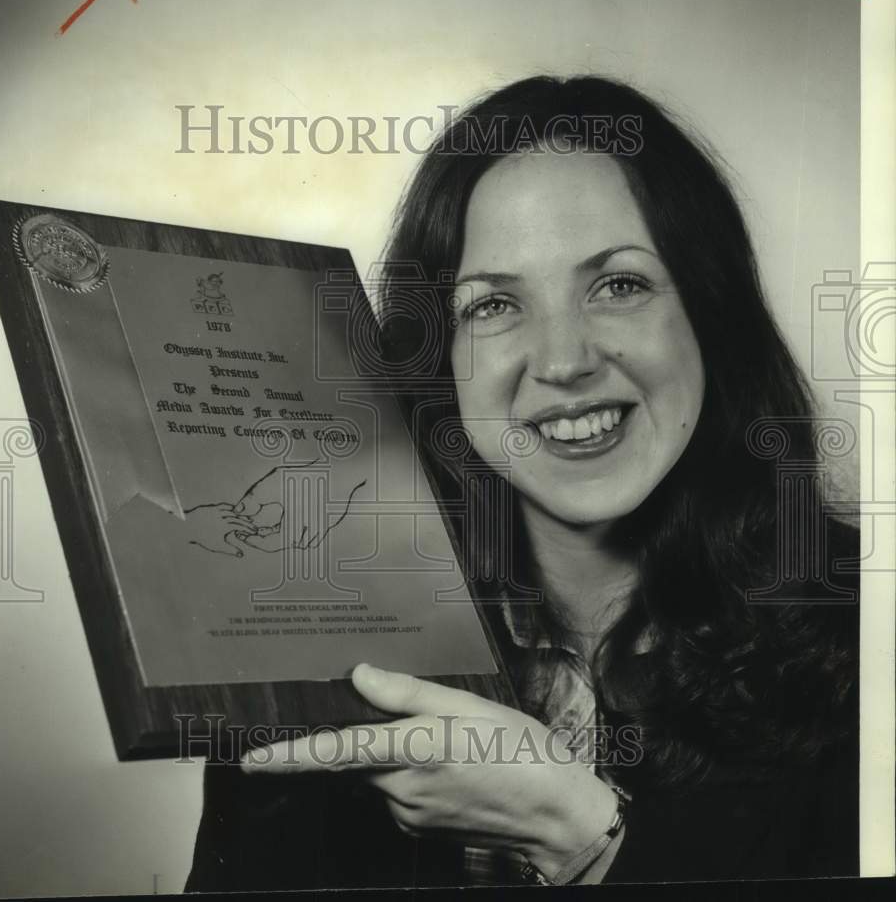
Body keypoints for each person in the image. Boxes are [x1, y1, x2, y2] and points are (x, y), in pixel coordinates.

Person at [184, 75, 859, 890]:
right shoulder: (318, 641)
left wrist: (583, 837)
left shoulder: (869, 627)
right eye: (495, 304)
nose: (565, 360)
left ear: (709, 313)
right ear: (442, 360)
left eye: (619, 285)